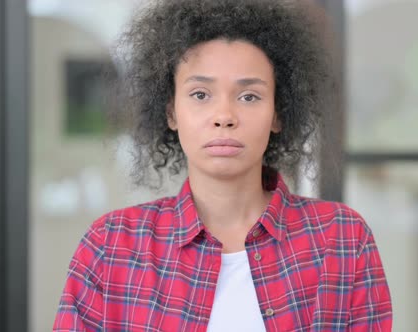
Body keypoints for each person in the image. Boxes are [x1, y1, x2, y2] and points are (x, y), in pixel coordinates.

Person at [53, 0, 392, 331]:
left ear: (277, 113)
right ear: (171, 112)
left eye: (249, 96)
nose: (224, 117)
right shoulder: (110, 248)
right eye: (200, 94)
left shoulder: (343, 240)